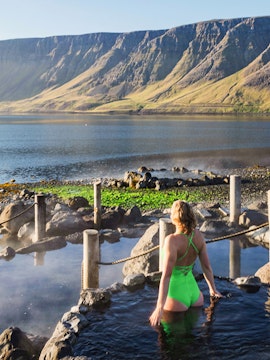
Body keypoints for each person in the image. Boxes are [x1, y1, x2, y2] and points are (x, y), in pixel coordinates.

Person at [149, 200, 223, 327]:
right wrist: (213, 289)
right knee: (192, 336)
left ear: (174, 218)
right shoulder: (199, 235)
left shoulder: (171, 241)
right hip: (195, 295)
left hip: (176, 296)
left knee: (173, 343)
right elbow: (206, 267)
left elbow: (166, 276)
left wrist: (159, 307)